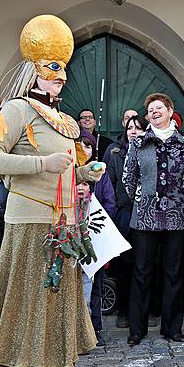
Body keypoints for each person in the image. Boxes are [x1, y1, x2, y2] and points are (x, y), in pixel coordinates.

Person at [0, 15, 105, 367]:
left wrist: (85, 172)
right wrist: (41, 163)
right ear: (34, 71)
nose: (60, 79)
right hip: (29, 225)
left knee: (57, 310)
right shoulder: (16, 109)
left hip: (63, 226)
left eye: (62, 73)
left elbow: (63, 168)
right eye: (52, 71)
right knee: (31, 308)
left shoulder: (65, 121)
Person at [122, 93, 184, 346]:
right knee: (141, 272)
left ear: (169, 110)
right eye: (150, 110)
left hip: (178, 217)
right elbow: (128, 178)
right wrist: (143, 199)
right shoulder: (138, 143)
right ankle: (137, 329)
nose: (154, 112)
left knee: (175, 273)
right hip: (144, 217)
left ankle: (172, 328)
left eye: (158, 108)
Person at [107, 114, 148, 328]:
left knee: (145, 264)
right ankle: (124, 310)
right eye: (130, 128)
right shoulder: (116, 154)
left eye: (138, 128)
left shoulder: (150, 152)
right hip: (123, 213)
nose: (133, 131)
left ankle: (145, 310)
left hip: (146, 214)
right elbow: (109, 187)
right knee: (124, 265)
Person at [77, 130, 115, 346]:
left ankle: (94, 328)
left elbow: (109, 202)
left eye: (88, 145)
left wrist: (97, 225)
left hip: (95, 237)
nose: (84, 149)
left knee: (95, 287)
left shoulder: (100, 173)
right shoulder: (67, 172)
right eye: (79, 145)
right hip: (72, 239)